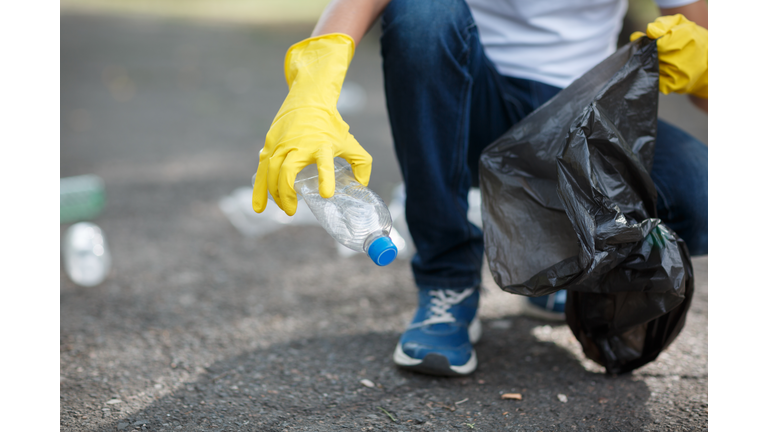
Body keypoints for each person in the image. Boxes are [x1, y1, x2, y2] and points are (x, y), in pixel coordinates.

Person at [252, 0, 708, 377]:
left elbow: (711, 82)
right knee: (420, 12)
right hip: (465, 98)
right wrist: (312, 88)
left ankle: (561, 260)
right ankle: (447, 281)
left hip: (583, 111)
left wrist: (710, 61)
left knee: (702, 193)